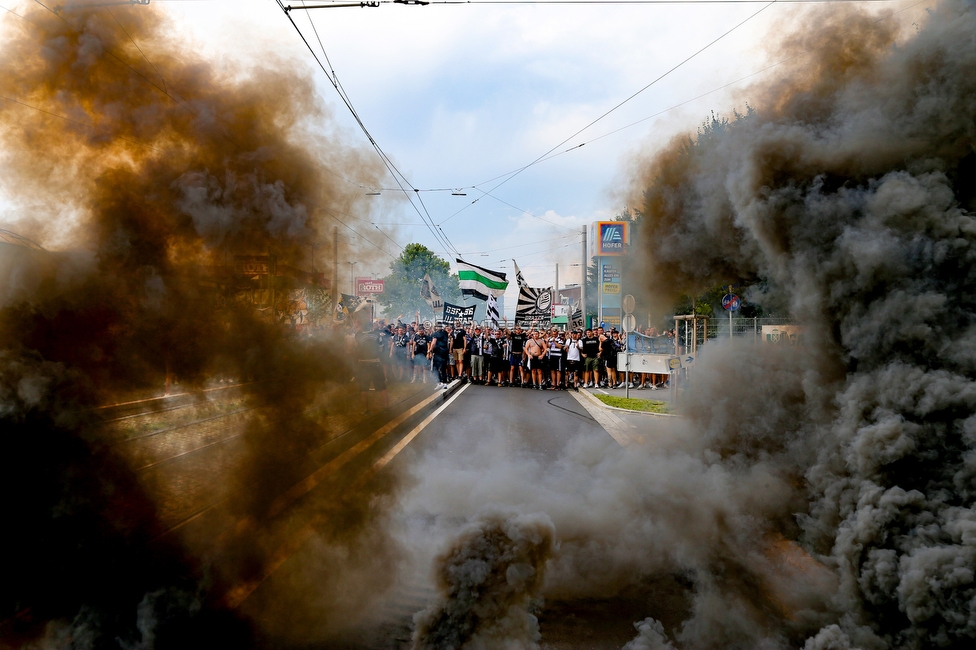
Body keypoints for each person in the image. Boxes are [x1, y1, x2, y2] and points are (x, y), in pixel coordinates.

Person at [352, 322, 389, 412]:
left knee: (364, 388)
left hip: (363, 364)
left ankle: (365, 409)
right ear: (371, 327)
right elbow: (380, 349)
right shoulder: (377, 335)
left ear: (362, 327)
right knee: (382, 386)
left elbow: (355, 348)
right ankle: (386, 407)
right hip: (375, 362)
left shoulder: (358, 336)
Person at [428, 323, 452, 388]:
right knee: (443, 368)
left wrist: (430, 350)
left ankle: (439, 382)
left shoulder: (436, 334)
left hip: (438, 352)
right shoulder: (445, 333)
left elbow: (433, 343)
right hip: (445, 352)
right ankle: (444, 382)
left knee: (435, 368)